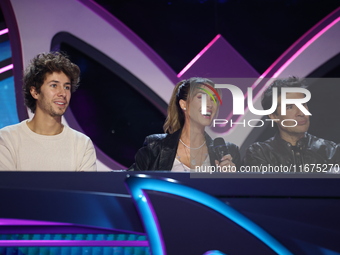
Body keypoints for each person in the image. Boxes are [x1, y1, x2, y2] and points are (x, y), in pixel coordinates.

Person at [0, 52, 97, 171]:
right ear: (35, 92)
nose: (62, 93)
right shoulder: (8, 139)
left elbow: (85, 189)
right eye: (54, 85)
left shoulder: (82, 144)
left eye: (67, 87)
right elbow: (7, 188)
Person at [129, 77, 241, 171]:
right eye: (201, 97)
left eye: (214, 99)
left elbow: (241, 194)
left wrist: (230, 179)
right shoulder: (156, 147)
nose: (209, 104)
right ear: (184, 104)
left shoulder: (230, 152)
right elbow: (128, 184)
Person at [244, 76, 339, 169]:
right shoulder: (260, 153)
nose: (301, 113)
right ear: (273, 116)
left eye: (303, 104)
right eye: (290, 107)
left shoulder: (332, 151)